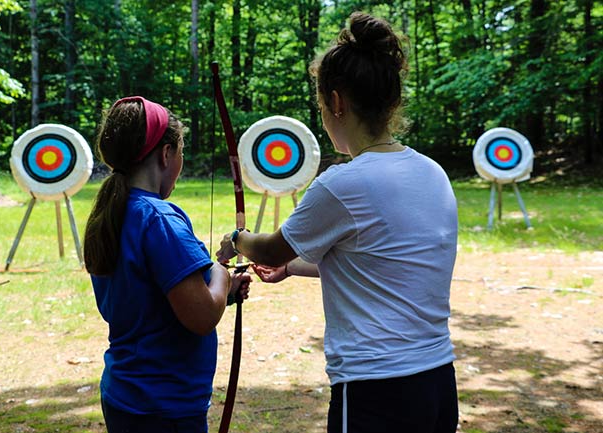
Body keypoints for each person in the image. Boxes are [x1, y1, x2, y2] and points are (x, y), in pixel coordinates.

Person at [217, 12, 458, 433]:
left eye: (321, 106)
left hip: (375, 390)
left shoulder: (344, 183)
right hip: (437, 380)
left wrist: (237, 239)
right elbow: (375, 260)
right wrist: (291, 268)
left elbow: (271, 247)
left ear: (337, 103)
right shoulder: (432, 173)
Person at [83, 96, 251, 433]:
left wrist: (225, 293)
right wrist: (218, 272)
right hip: (163, 405)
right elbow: (202, 317)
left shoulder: (113, 212)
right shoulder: (159, 218)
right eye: (181, 154)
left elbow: (150, 297)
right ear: (165, 154)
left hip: (126, 395)